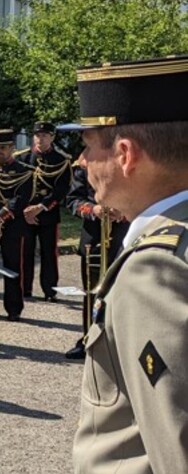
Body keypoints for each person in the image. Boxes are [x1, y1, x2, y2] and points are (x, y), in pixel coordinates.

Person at [65, 56, 188, 474]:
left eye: (86, 146)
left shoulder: (156, 269)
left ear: (125, 154)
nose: (81, 162)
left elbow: (177, 445)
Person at [63, 164, 130, 360]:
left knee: (124, 293)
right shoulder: (84, 167)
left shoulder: (128, 163)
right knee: (92, 294)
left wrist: (124, 211)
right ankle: (88, 339)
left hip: (123, 236)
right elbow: (72, 201)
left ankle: (120, 343)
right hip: (93, 238)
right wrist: (94, 209)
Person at [0, 129, 36, 322]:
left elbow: (19, 199)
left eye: (3, 147)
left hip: (12, 225)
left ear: (12, 148)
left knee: (12, 267)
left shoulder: (24, 171)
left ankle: (13, 308)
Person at [16, 122, 72, 302]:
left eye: (45, 135)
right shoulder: (22, 158)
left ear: (52, 137)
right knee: (25, 252)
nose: (41, 139)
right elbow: (15, 187)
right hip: (25, 214)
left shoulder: (61, 160)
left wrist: (40, 207)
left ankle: (50, 290)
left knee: (49, 253)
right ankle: (24, 289)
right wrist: (25, 210)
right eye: (38, 135)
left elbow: (61, 190)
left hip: (47, 213)